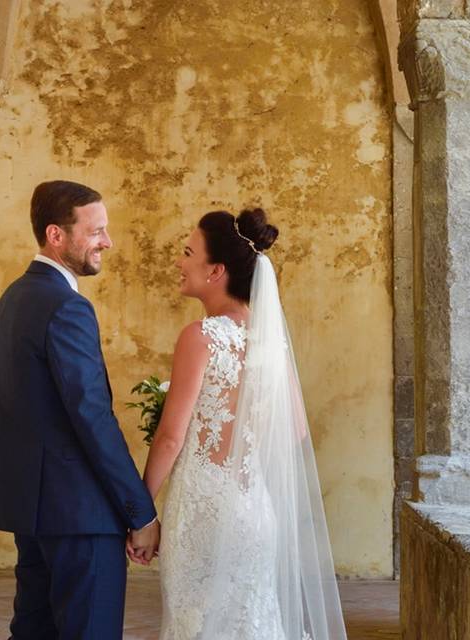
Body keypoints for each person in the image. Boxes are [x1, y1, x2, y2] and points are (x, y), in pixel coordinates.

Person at [135, 208, 348, 640]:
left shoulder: (201, 336)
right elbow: (295, 432)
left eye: (187, 252)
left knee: (195, 624)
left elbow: (172, 437)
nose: (178, 261)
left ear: (215, 271)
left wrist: (141, 511)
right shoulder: (272, 342)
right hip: (254, 511)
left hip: (203, 515)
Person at [0, 180, 159, 640]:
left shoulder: (11, 300)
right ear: (56, 235)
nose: (107, 241)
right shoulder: (67, 307)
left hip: (34, 510)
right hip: (80, 514)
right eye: (96, 230)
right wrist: (140, 513)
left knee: (33, 632)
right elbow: (93, 418)